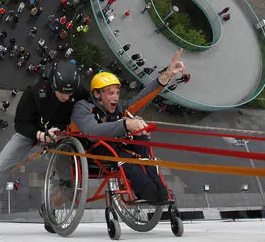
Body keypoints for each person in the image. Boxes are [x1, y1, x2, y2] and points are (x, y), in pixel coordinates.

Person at [0, 61, 87, 236]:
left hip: (59, 135)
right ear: (52, 84)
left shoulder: (77, 92)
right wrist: (39, 135)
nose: (66, 97)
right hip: (31, 130)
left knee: (71, 183)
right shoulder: (34, 92)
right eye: (62, 93)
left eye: (70, 93)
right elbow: (20, 123)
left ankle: (49, 208)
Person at [71, 49, 186, 203]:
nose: (115, 97)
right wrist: (125, 124)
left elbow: (141, 99)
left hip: (119, 145)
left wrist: (166, 76)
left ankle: (156, 182)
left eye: (117, 93)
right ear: (97, 94)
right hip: (95, 148)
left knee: (142, 136)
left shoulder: (119, 108)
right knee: (123, 156)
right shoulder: (83, 107)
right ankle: (145, 188)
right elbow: (92, 131)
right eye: (110, 93)